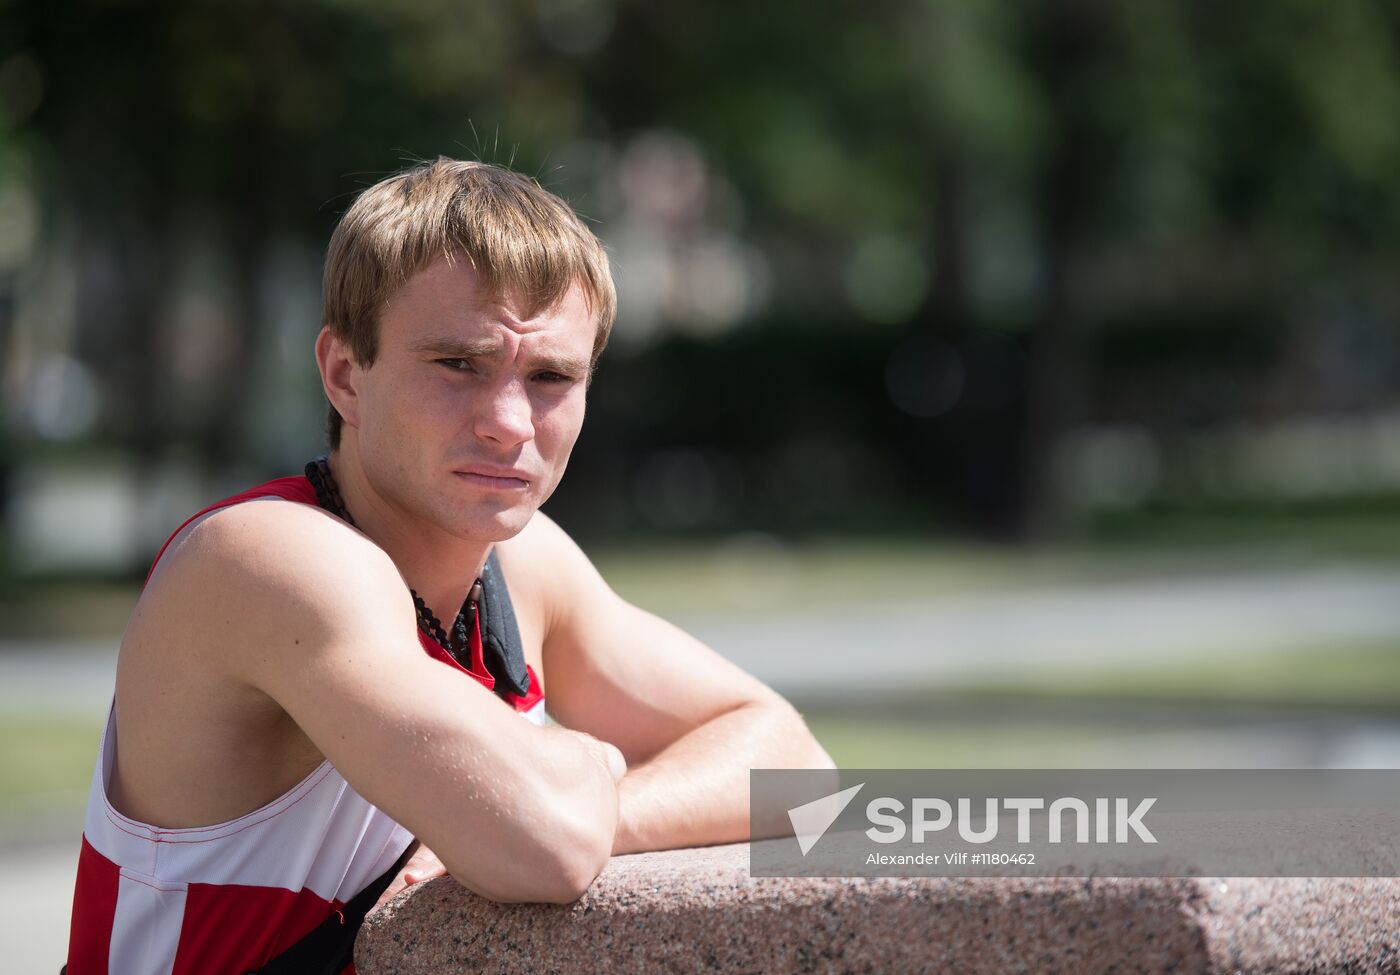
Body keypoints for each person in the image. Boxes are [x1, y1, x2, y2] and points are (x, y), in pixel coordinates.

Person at [64, 158, 835, 974]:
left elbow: (793, 760)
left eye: (550, 377)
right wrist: (574, 766)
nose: (508, 422)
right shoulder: (267, 557)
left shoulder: (522, 561)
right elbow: (543, 846)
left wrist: (600, 793)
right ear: (344, 375)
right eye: (458, 364)